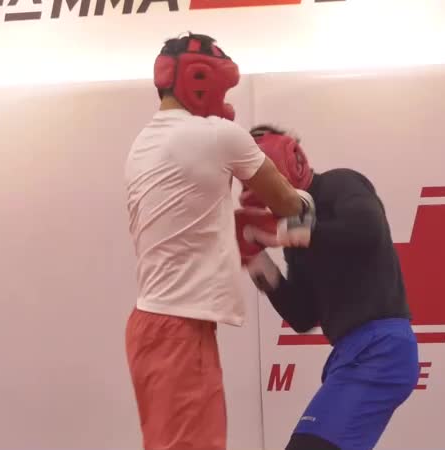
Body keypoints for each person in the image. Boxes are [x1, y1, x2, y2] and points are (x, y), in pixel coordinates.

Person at [124, 35, 315, 450]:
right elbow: (289, 205)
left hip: (155, 324)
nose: (226, 102)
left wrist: (245, 231)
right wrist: (304, 198)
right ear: (198, 79)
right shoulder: (215, 135)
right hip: (179, 327)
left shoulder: (144, 142)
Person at [235, 125, 419, 450]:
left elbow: (366, 230)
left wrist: (284, 231)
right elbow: (303, 315)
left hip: (382, 348)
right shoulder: (296, 233)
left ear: (290, 161)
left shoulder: (340, 183)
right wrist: (257, 260)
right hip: (349, 354)